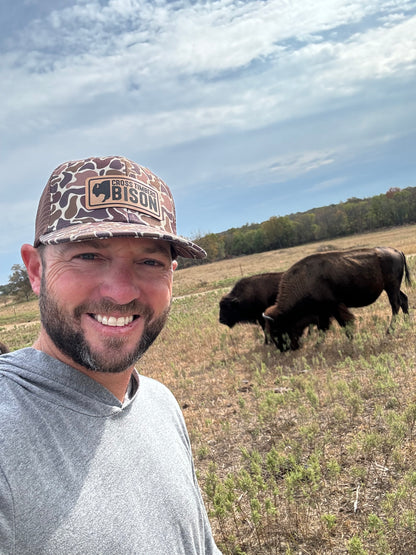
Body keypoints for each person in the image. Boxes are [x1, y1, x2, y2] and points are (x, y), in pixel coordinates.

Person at [0, 156, 221, 554]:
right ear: (35, 271)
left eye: (149, 261)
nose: (121, 293)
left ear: (171, 275)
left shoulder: (160, 404)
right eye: (88, 256)